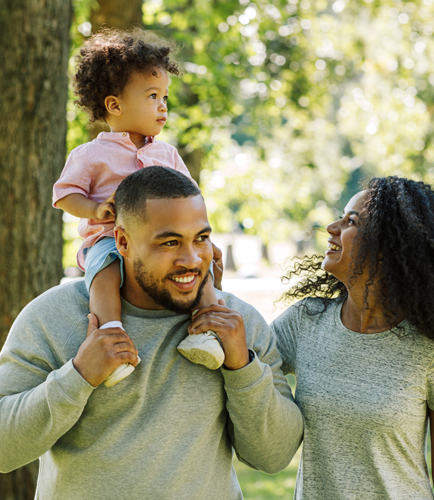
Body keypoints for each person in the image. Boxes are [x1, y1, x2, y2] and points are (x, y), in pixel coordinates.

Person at [0, 167, 303, 500]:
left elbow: (274, 456)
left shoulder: (236, 323)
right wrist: (78, 376)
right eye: (170, 242)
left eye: (201, 238)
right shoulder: (53, 316)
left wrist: (242, 367)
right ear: (123, 242)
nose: (191, 259)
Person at [271, 176, 434, 499]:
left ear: (386, 246)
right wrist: (213, 294)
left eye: (351, 221)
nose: (332, 228)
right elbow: (243, 358)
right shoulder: (305, 322)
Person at [53, 28, 224, 376]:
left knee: (198, 264)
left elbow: (192, 196)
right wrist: (95, 210)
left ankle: (207, 328)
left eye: (164, 96)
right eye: (152, 96)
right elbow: (65, 195)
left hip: (167, 240)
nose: (162, 106)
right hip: (108, 239)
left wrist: (200, 238)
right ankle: (110, 334)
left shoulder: (166, 153)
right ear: (115, 105)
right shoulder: (91, 154)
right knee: (103, 273)